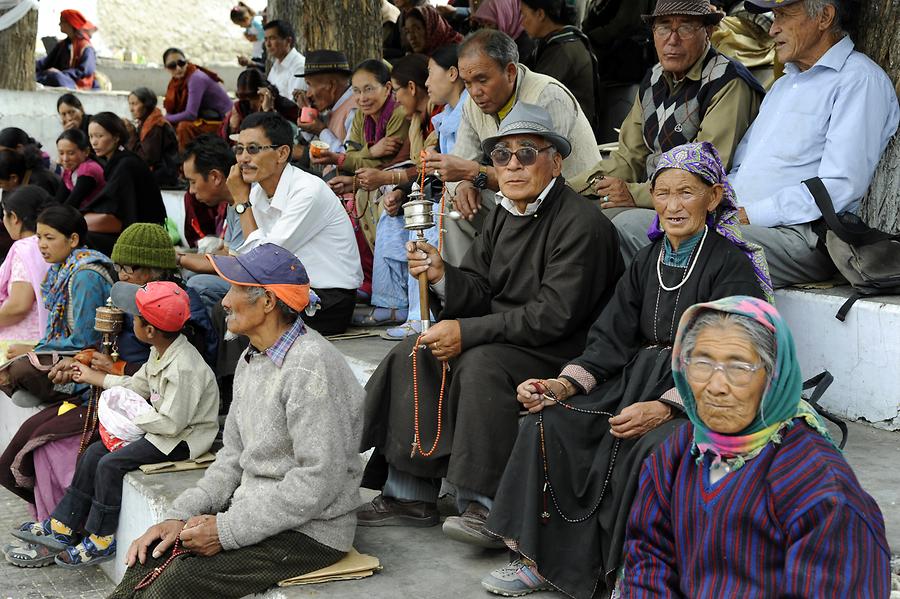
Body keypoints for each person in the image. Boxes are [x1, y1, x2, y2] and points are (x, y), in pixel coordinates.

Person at [481, 141, 770, 598]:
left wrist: (666, 408)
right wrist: (561, 384)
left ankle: (631, 574)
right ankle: (538, 557)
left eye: (687, 193)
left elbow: (736, 356)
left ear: (713, 198)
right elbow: (610, 338)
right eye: (663, 194)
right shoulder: (647, 259)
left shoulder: (731, 264)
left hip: (702, 394)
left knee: (651, 446)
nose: (673, 206)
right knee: (548, 422)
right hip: (635, 382)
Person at [357, 104, 623, 540]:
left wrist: (467, 333)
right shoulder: (502, 212)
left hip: (561, 347)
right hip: (507, 334)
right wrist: (443, 275)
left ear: (555, 161)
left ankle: (486, 506)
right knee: (414, 349)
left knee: (481, 366)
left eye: (527, 153)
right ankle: (409, 492)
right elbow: (480, 286)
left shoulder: (582, 223)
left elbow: (553, 316)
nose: (513, 165)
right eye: (502, 156)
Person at [107, 244, 364, 598]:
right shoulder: (250, 359)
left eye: (235, 290)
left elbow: (318, 481)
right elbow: (232, 457)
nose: (224, 301)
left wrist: (226, 530)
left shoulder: (311, 365)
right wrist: (179, 515)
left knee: (175, 582)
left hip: (312, 531)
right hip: (258, 513)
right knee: (150, 558)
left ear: (268, 302)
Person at [613, 0, 900, 287]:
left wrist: (750, 214)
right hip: (742, 221)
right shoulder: (785, 85)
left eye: (784, 15)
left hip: (801, 236)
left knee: (686, 242)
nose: (773, 29)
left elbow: (839, 186)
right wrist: (712, 206)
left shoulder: (859, 80)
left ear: (824, 17)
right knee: (623, 226)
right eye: (774, 16)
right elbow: (741, 167)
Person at [622, 295, 890, 597]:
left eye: (738, 367)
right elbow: (647, 558)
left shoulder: (819, 486)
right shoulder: (678, 452)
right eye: (702, 363)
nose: (716, 386)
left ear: (773, 376)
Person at [0, 223, 217, 545]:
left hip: (170, 426)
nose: (121, 276)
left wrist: (120, 395)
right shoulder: (149, 315)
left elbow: (172, 410)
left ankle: (98, 537)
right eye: (118, 268)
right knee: (39, 431)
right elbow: (141, 379)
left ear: (152, 269)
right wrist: (92, 373)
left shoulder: (180, 320)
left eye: (128, 268)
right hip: (140, 404)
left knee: (71, 449)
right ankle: (61, 523)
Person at [421, 29, 600, 266]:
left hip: (573, 201)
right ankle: (465, 293)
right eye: (468, 83)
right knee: (456, 206)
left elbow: (543, 183)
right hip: (518, 198)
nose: (474, 92)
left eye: (482, 80)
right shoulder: (473, 107)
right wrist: (463, 185)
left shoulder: (545, 95)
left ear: (510, 71)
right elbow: (460, 161)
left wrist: (474, 173)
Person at [568, 0, 764, 214]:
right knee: (568, 211)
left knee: (599, 225)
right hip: (654, 198)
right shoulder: (654, 77)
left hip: (694, 212)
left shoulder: (728, 83)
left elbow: (703, 171)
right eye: (663, 27)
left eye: (686, 27)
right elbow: (628, 159)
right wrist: (567, 188)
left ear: (708, 31)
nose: (672, 39)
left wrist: (634, 194)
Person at [227, 112, 362, 335]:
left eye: (252, 149)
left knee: (247, 314)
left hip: (328, 300)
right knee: (224, 308)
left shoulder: (307, 191)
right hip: (287, 291)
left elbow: (264, 261)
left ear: (282, 153)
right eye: (239, 150)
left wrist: (241, 202)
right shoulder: (258, 192)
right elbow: (256, 263)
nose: (243, 159)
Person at [385, 44, 470, 340]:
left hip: (467, 197)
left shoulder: (469, 111)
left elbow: (463, 166)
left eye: (431, 74)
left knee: (428, 221)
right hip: (447, 193)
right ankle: (396, 305)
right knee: (402, 218)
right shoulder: (445, 114)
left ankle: (425, 314)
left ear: (453, 74)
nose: (427, 83)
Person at [352, 54, 439, 327]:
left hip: (444, 195)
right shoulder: (415, 119)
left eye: (397, 90)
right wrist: (399, 192)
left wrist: (394, 184)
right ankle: (391, 304)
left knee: (419, 220)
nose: (397, 100)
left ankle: (420, 316)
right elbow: (356, 154)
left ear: (411, 88)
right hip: (422, 190)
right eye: (356, 91)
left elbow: (430, 169)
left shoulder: (440, 117)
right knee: (391, 218)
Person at [313, 60, 410, 298]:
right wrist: (372, 150)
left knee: (360, 196)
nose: (362, 97)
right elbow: (357, 155)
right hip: (369, 178)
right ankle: (362, 279)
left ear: (387, 89)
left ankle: (376, 284)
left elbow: (382, 163)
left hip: (398, 180)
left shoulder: (397, 114)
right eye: (356, 91)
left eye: (369, 89)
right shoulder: (360, 117)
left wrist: (352, 158)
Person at [0, 206, 114, 405]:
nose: (42, 245)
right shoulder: (60, 270)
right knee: (12, 367)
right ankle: (35, 388)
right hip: (71, 353)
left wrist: (35, 349)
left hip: (93, 361)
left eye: (49, 238)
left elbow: (86, 341)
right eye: (39, 238)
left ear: (73, 240)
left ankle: (70, 393)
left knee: (20, 370)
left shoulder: (86, 276)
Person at [177, 135, 244, 313]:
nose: (191, 190)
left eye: (193, 182)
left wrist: (178, 258)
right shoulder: (231, 204)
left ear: (215, 177)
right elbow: (226, 251)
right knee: (189, 274)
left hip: (256, 282)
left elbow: (233, 262)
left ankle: (209, 339)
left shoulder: (245, 201)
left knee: (199, 284)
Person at [85, 112, 167, 255]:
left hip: (144, 238)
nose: (94, 142)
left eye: (99, 136)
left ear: (116, 137)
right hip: (130, 229)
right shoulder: (118, 161)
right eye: (91, 136)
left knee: (81, 236)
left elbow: (118, 213)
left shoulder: (126, 165)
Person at [520, 0, 601, 134]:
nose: (522, 22)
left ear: (540, 14)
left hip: (571, 135)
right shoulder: (557, 42)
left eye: (524, 15)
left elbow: (534, 95)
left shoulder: (562, 50)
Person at [0, 187, 53, 347]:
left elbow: (19, 306)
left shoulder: (24, 249)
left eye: (4, 214)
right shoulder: (55, 244)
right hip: (48, 337)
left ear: (14, 217)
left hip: (21, 342)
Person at [162, 48, 233, 150]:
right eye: (172, 66)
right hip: (206, 117)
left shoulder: (195, 78)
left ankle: (186, 162)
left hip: (224, 121)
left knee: (183, 128)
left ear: (187, 62)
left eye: (181, 63)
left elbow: (191, 114)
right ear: (166, 68)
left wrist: (165, 118)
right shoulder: (176, 82)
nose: (178, 68)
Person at [293, 50, 357, 155]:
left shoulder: (354, 111)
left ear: (331, 86)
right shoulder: (334, 108)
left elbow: (348, 159)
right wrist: (308, 114)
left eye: (310, 85)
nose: (308, 94)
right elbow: (316, 142)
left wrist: (321, 130)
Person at [221, 68, 300, 139]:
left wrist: (269, 112)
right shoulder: (241, 107)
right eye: (247, 99)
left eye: (254, 97)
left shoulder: (284, 107)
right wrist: (231, 127)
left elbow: (282, 136)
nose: (251, 104)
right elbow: (225, 139)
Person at [126, 87, 180, 188]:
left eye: (135, 104)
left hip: (163, 174)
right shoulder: (144, 122)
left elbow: (146, 159)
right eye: (130, 104)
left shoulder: (156, 126)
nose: (131, 109)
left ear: (146, 105)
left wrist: (131, 134)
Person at [35, 9, 97, 90]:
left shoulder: (86, 47)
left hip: (75, 83)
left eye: (62, 21)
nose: (59, 24)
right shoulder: (62, 45)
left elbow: (85, 70)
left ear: (71, 24)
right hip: (60, 78)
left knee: (54, 76)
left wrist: (61, 74)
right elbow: (46, 62)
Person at [0, 128, 62, 198]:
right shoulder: (24, 164)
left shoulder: (40, 168)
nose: (1, 155)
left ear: (19, 148)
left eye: (4, 152)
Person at [54, 129, 106, 209]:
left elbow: (72, 204)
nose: (65, 159)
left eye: (71, 153)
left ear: (86, 151)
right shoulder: (69, 170)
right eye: (61, 153)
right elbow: (58, 199)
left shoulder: (88, 170)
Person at [263, 20, 306, 99]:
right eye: (266, 39)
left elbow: (295, 106)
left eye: (272, 38)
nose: (268, 44)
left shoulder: (299, 67)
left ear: (288, 41)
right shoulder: (276, 64)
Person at [231, 2, 265, 70]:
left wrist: (256, 37)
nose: (241, 27)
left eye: (240, 24)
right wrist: (247, 35)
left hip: (262, 54)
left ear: (246, 19)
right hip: (257, 54)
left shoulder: (256, 21)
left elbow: (264, 32)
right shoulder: (249, 25)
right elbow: (249, 33)